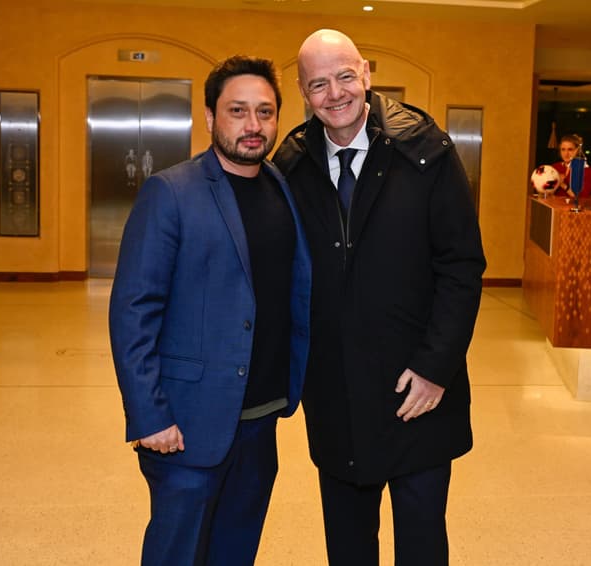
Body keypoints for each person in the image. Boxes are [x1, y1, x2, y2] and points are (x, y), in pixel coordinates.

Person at [273, 29, 486, 566]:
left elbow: (462, 266)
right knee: (347, 546)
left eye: (345, 76)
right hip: (337, 392)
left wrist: (436, 366)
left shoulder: (426, 151)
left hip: (418, 392)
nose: (335, 93)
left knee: (420, 543)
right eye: (318, 83)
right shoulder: (292, 166)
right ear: (302, 90)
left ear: (366, 72)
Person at [108, 56, 311, 566]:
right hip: (186, 426)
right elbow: (133, 310)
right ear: (209, 117)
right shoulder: (171, 192)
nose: (253, 125)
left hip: (260, 419)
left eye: (265, 112)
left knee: (235, 552)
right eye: (237, 110)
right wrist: (149, 415)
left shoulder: (280, 188)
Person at [552, 133, 591, 198]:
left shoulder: (586, 170)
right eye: (563, 149)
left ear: (577, 150)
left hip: (574, 207)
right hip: (555, 206)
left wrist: (562, 185)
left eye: (570, 149)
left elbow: (582, 197)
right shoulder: (554, 167)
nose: (566, 153)